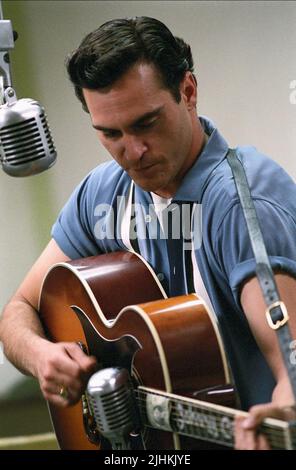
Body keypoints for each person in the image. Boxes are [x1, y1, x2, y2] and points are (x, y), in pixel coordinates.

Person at [0, 16, 296, 450]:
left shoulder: (240, 205)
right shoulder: (103, 194)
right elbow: (18, 310)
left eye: (146, 124)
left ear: (188, 92)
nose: (132, 152)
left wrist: (285, 414)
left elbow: (291, 364)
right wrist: (42, 356)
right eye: (110, 133)